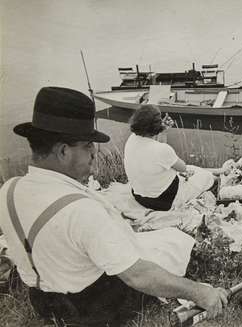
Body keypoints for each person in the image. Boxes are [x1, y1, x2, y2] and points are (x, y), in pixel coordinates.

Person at [0, 87, 228, 326]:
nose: (94, 153)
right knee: (171, 243)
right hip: (91, 305)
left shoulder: (9, 189)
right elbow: (137, 275)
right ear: (63, 151)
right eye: (88, 145)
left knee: (158, 241)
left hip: (41, 299)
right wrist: (202, 292)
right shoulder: (81, 210)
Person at [124, 105, 215, 211]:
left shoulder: (131, 139)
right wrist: (161, 130)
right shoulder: (162, 150)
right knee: (206, 177)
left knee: (190, 170)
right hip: (163, 201)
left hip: (140, 197)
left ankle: (217, 171)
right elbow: (182, 167)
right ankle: (216, 175)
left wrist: (162, 130)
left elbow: (156, 153)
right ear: (156, 126)